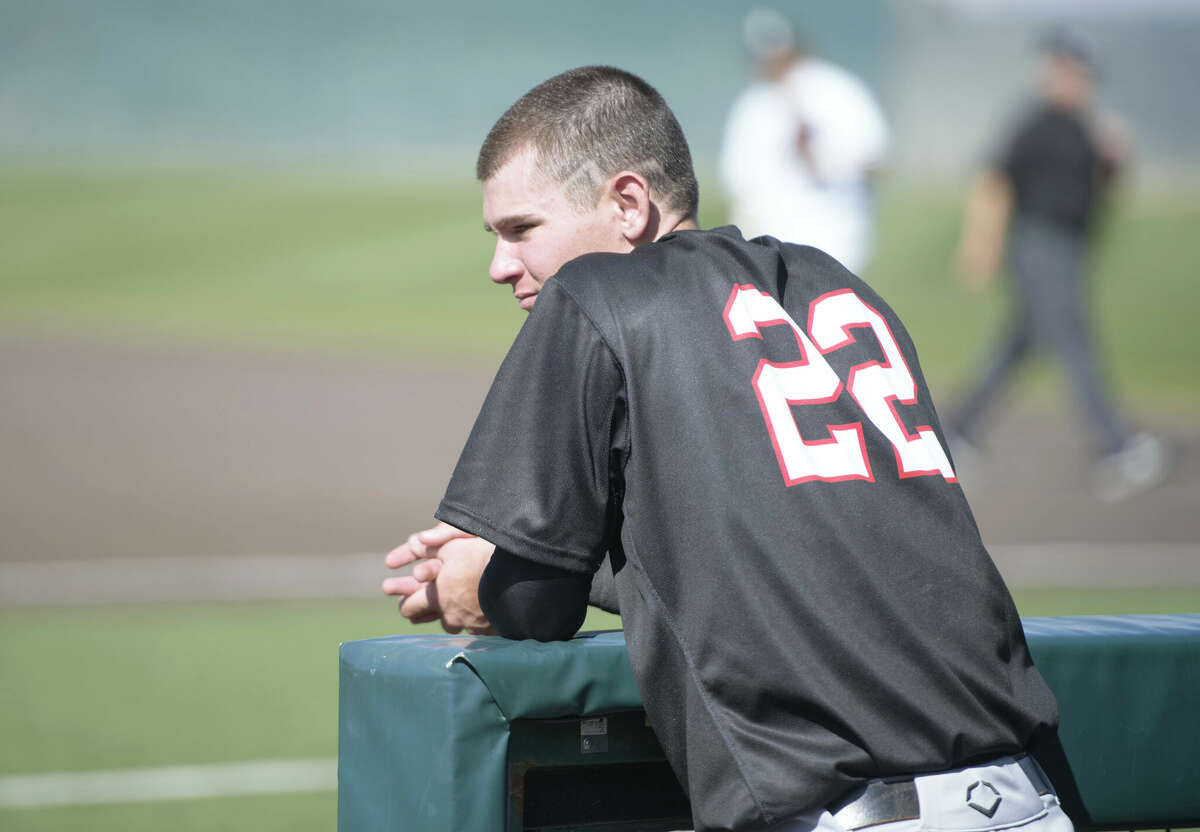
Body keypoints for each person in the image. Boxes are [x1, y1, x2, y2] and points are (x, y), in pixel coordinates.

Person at [384, 66, 1081, 832]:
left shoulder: (594, 295)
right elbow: (773, 539)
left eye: (521, 230)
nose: (500, 266)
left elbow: (536, 602)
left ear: (627, 203)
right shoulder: (833, 286)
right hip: (1031, 798)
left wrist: (475, 586)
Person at [946, 29, 1167, 501]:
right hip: (1039, 245)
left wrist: (1113, 158)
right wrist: (981, 243)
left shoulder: (1086, 129)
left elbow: (1104, 192)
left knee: (1018, 345)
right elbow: (994, 179)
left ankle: (956, 432)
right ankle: (1116, 447)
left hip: (1067, 247)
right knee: (1073, 342)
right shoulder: (1038, 124)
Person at [717, 8, 889, 274]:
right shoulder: (755, 103)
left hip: (835, 242)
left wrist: (825, 160)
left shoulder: (837, 91)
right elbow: (738, 181)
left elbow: (874, 160)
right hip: (771, 250)